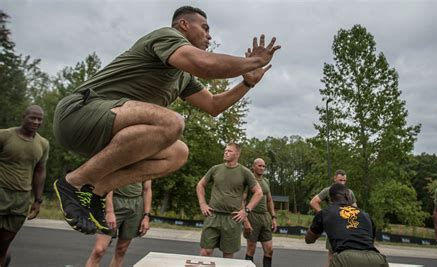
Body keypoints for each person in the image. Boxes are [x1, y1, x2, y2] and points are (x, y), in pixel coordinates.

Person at [52, 5, 281, 234]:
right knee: (171, 122)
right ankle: (73, 183)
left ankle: (95, 192)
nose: (209, 35)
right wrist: (254, 62)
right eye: (204, 28)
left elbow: (213, 105)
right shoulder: (166, 35)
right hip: (80, 113)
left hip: (106, 130)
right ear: (183, 25)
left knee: (178, 152)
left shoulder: (183, 77)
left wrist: (247, 83)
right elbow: (205, 65)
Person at [0, 105, 49, 267]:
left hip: (21, 200)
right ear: (24, 116)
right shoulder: (5, 136)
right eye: (32, 117)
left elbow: (40, 171)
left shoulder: (43, 144)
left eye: (39, 119)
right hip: (2, 193)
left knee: (4, 246)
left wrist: (38, 200)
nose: (36, 122)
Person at [196, 143, 263, 258]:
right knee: (205, 252)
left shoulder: (244, 172)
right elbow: (200, 185)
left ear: (237, 154)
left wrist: (246, 211)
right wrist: (202, 204)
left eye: (229, 151)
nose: (225, 152)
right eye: (225, 150)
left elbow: (259, 192)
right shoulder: (215, 169)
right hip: (213, 216)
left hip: (232, 219)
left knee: (227, 256)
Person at [305, 184, 388, 267]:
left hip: (345, 259)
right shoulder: (365, 215)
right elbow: (371, 241)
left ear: (331, 199)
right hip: (377, 259)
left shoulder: (325, 213)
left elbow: (309, 239)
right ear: (348, 196)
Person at [85, 180, 152, 267]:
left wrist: (146, 216)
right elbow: (108, 184)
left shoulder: (145, 166)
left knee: (121, 250)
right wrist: (109, 211)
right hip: (114, 201)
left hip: (135, 205)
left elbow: (147, 189)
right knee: (99, 250)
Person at [309, 169, 357, 266]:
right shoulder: (328, 191)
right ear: (335, 179)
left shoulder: (349, 192)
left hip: (347, 227)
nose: (342, 183)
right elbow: (313, 202)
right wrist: (325, 215)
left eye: (344, 180)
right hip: (333, 227)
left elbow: (355, 208)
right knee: (332, 257)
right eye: (340, 180)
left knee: (347, 256)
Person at [243, 158, 277, 267]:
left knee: (269, 249)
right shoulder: (249, 180)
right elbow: (242, 200)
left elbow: (269, 200)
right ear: (253, 167)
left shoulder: (266, 181)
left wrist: (273, 217)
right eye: (259, 166)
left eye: (263, 166)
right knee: (251, 249)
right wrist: (245, 220)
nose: (262, 168)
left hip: (265, 217)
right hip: (252, 216)